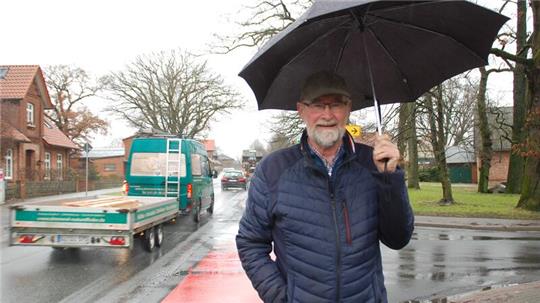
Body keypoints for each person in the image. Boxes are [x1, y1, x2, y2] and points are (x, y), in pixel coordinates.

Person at [236, 71, 414, 303]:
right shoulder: (274, 169)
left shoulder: (373, 163)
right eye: (318, 105)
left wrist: (390, 178)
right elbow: (250, 242)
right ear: (301, 110)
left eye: (336, 104)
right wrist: (280, 297)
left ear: (348, 109)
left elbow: (398, 238)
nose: (327, 114)